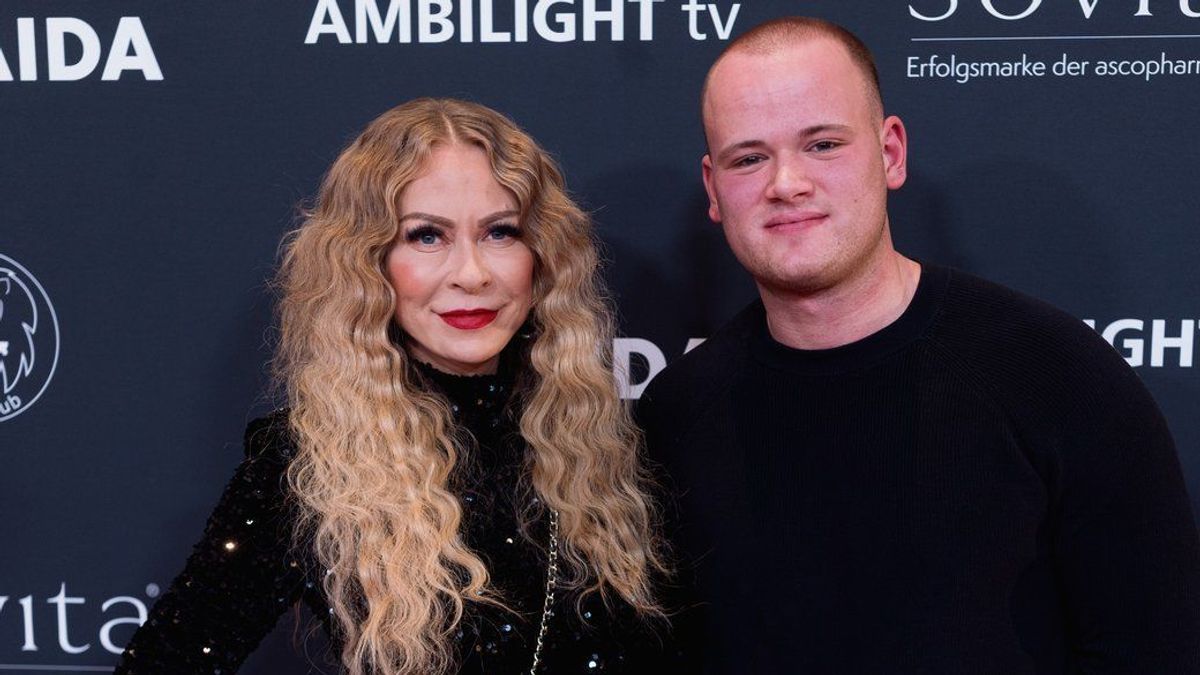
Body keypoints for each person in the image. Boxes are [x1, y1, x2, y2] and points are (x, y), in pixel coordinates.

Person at [638, 16, 1200, 674]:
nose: (785, 181)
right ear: (714, 189)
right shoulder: (676, 415)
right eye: (749, 157)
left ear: (891, 152)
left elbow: (1155, 648)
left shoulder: (1059, 377)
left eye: (821, 144)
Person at [116, 98, 673, 675]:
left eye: (500, 232)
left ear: (543, 255)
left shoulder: (608, 442)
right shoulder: (306, 467)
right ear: (369, 263)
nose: (472, 273)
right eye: (427, 236)